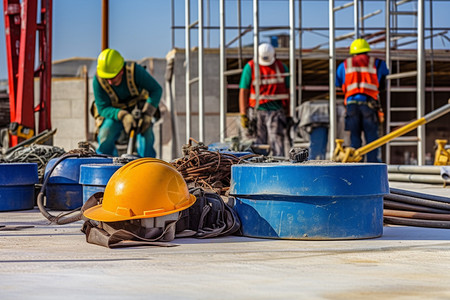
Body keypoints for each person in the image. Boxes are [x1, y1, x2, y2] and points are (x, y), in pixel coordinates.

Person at [93, 48, 162, 157]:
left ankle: (146, 165)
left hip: (139, 111)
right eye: (106, 78)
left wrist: (147, 114)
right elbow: (102, 108)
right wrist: (123, 115)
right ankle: (105, 162)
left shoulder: (135, 72)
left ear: (121, 71)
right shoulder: (98, 80)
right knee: (106, 133)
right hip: (115, 114)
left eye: (112, 77)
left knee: (146, 133)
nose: (109, 82)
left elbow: (156, 90)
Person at [336, 38, 389, 162]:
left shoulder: (344, 64)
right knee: (371, 139)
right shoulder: (377, 63)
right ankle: (372, 166)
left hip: (351, 105)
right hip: (369, 105)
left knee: (355, 138)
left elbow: (338, 82)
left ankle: (357, 166)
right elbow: (385, 77)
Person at [239, 43, 290, 157]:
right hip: (256, 112)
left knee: (277, 145)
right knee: (257, 144)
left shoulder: (281, 67)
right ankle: (258, 168)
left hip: (276, 111)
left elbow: (288, 92)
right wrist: (243, 114)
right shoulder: (250, 67)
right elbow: (244, 91)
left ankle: (277, 169)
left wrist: (289, 114)